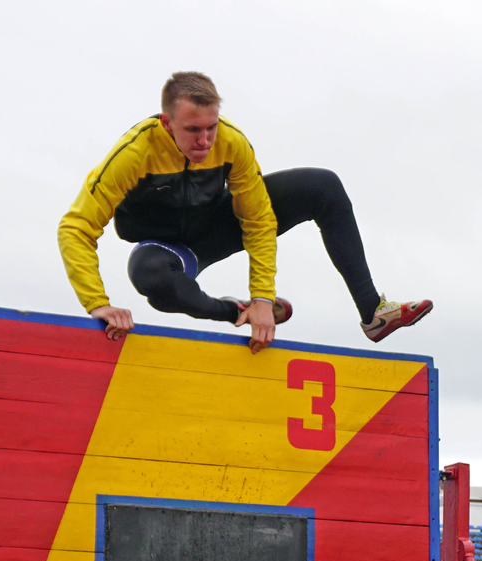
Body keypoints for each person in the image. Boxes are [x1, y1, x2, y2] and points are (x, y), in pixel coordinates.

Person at [60, 71, 432, 352]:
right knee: (152, 279)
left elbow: (258, 221)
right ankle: (232, 311)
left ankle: (373, 314)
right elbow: (76, 227)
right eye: (193, 130)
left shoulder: (232, 142)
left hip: (219, 224)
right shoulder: (134, 153)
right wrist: (98, 304)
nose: (205, 141)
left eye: (211, 127)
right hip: (168, 246)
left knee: (323, 186)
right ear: (166, 122)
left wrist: (263, 298)